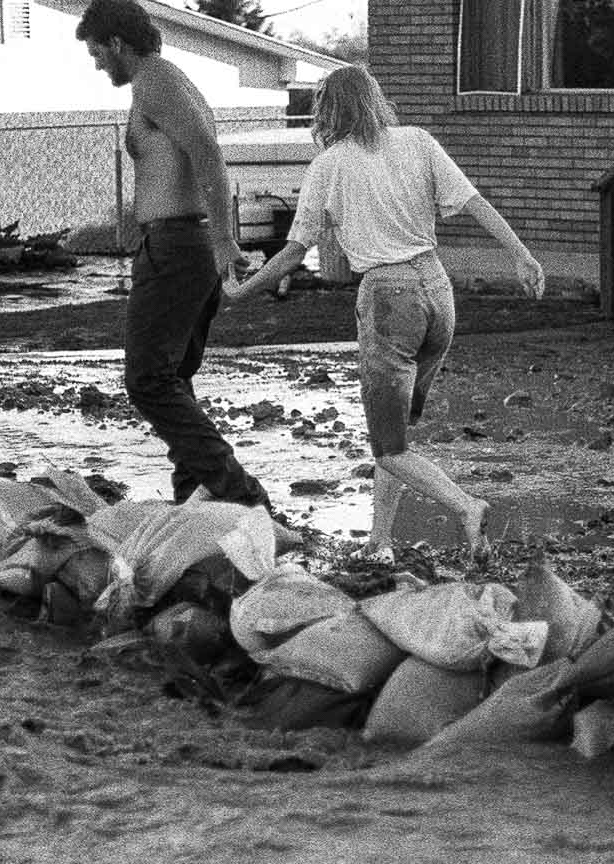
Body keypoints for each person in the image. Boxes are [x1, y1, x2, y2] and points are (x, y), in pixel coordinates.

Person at [222, 64, 545, 558]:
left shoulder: (329, 166)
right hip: (438, 293)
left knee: (388, 447)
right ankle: (379, 541)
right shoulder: (416, 140)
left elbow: (292, 252)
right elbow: (474, 202)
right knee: (397, 436)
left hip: (389, 301)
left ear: (327, 112)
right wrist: (521, 254)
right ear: (375, 100)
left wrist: (243, 293)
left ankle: (465, 507)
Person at [75, 0, 272, 513]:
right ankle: (195, 496)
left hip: (179, 247)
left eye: (97, 51)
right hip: (182, 244)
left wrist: (226, 239)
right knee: (175, 376)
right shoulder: (165, 80)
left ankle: (239, 493)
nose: (96, 63)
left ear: (118, 43)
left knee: (147, 380)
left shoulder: (155, 81)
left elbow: (207, 153)